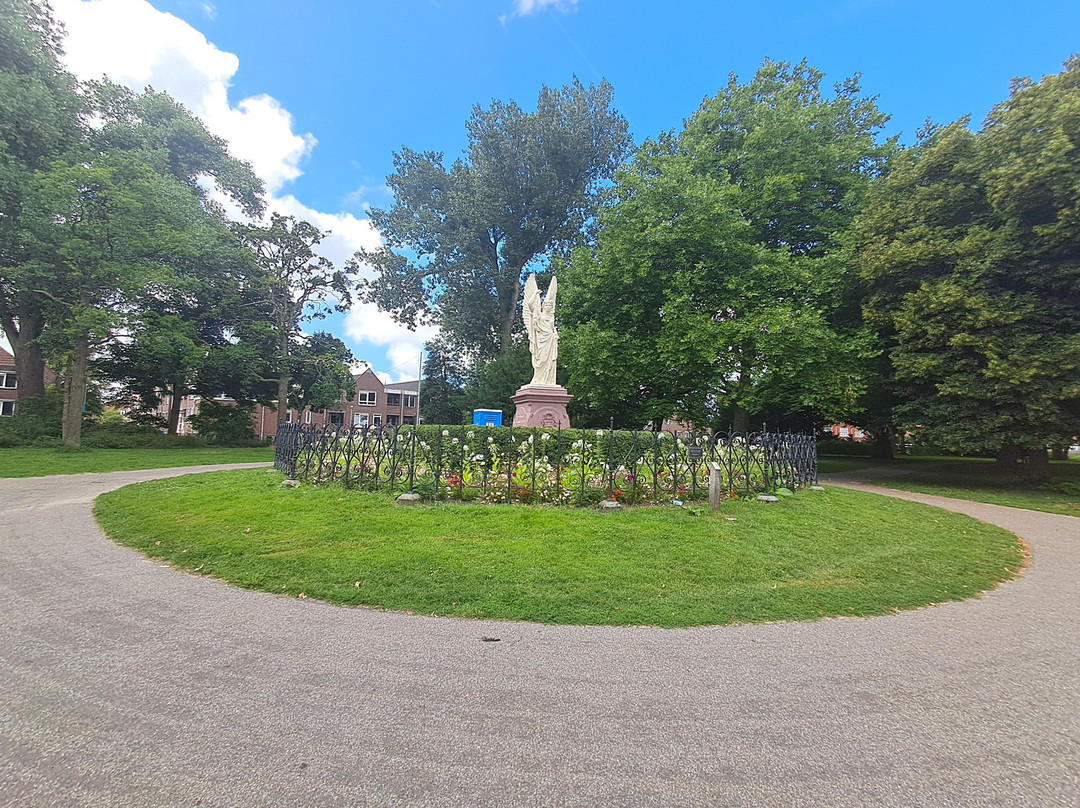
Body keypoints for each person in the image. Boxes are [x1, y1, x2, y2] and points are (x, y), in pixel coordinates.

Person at [522, 273, 558, 386]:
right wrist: (535, 294)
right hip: (541, 341)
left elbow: (552, 328)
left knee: (550, 362)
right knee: (541, 361)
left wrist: (556, 334)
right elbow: (530, 305)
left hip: (550, 340)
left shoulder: (551, 317)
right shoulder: (538, 316)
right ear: (543, 306)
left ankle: (548, 380)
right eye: (547, 305)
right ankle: (538, 379)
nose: (549, 307)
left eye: (550, 305)